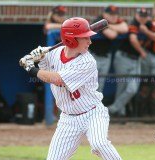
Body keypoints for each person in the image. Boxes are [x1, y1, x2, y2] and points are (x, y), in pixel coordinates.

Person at [19, 17, 122, 160]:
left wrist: (30, 68)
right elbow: (45, 69)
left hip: (92, 113)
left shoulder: (87, 61)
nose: (90, 41)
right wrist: (38, 57)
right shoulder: (53, 54)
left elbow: (57, 79)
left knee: (100, 144)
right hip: (68, 119)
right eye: (85, 38)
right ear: (71, 40)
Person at [108, 8, 149, 116]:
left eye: (144, 16)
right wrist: (142, 51)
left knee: (132, 88)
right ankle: (120, 113)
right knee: (121, 86)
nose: (142, 18)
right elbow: (132, 39)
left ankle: (113, 109)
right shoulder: (132, 23)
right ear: (136, 15)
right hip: (123, 58)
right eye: (141, 15)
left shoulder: (148, 25)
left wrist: (148, 31)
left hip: (136, 60)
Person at [89, 5, 128, 92]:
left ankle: (97, 105)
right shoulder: (98, 20)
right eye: (110, 14)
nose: (114, 16)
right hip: (93, 56)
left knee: (101, 85)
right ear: (104, 14)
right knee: (91, 84)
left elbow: (125, 28)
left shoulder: (111, 22)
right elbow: (112, 35)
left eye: (115, 14)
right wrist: (116, 28)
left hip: (106, 57)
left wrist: (108, 25)